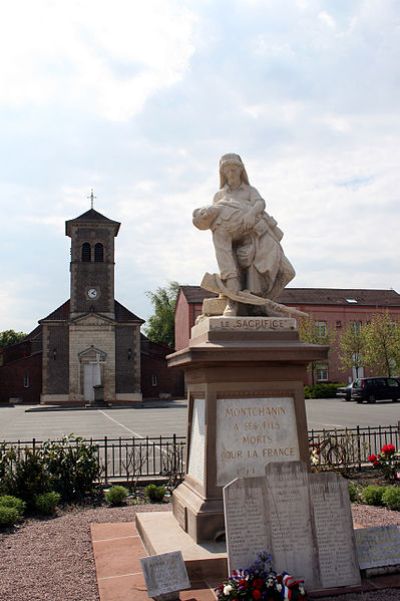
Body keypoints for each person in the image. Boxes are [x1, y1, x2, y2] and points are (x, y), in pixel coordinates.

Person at [193, 153, 295, 315]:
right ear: (223, 174)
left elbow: (260, 203)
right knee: (225, 250)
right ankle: (235, 300)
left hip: (261, 235)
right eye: (227, 170)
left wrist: (252, 213)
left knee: (288, 272)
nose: (231, 173)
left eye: (234, 169)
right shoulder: (219, 202)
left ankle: (262, 304)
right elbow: (222, 247)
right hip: (242, 246)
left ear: (241, 170)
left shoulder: (249, 190)